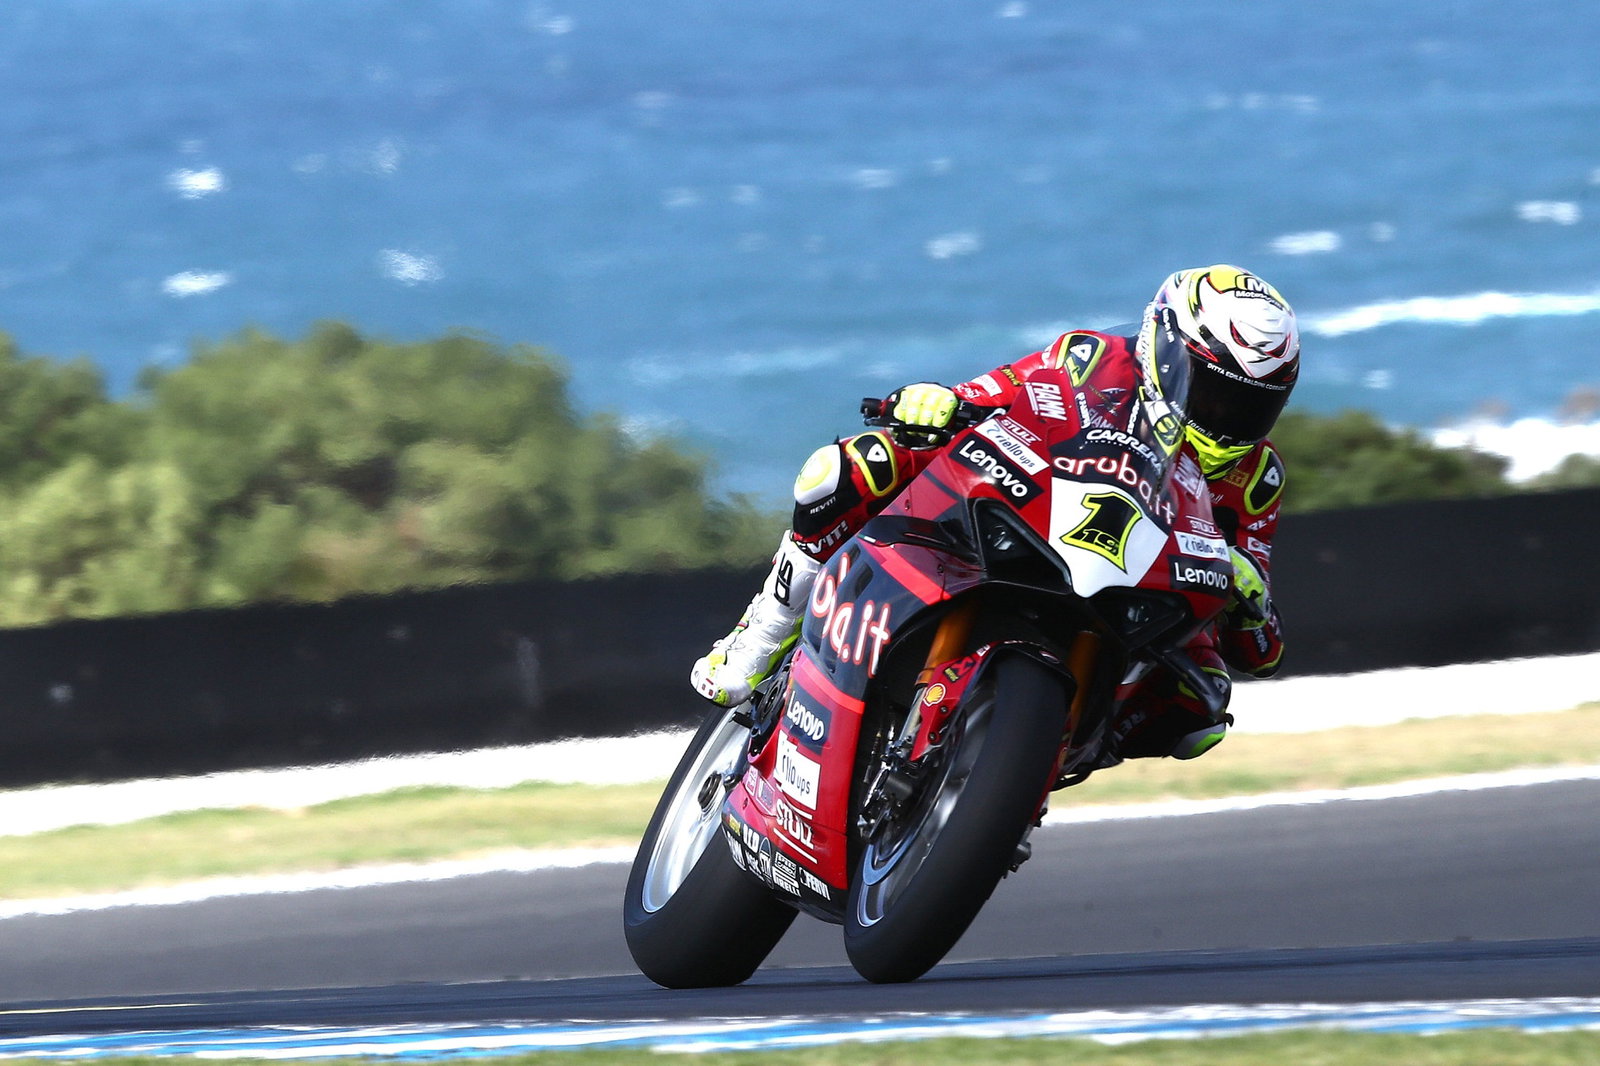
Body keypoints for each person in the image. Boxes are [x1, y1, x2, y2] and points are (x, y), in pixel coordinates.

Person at [692, 264, 1298, 764]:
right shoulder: (1090, 359)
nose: (1228, 417)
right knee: (844, 470)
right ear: (1166, 351)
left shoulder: (1254, 479)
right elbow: (990, 396)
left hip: (1134, 596)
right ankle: (763, 634)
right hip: (1028, 516)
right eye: (1214, 392)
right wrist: (939, 402)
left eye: (1251, 406)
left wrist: (1252, 593)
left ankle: (1041, 760)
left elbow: (1262, 652)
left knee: (1202, 708)